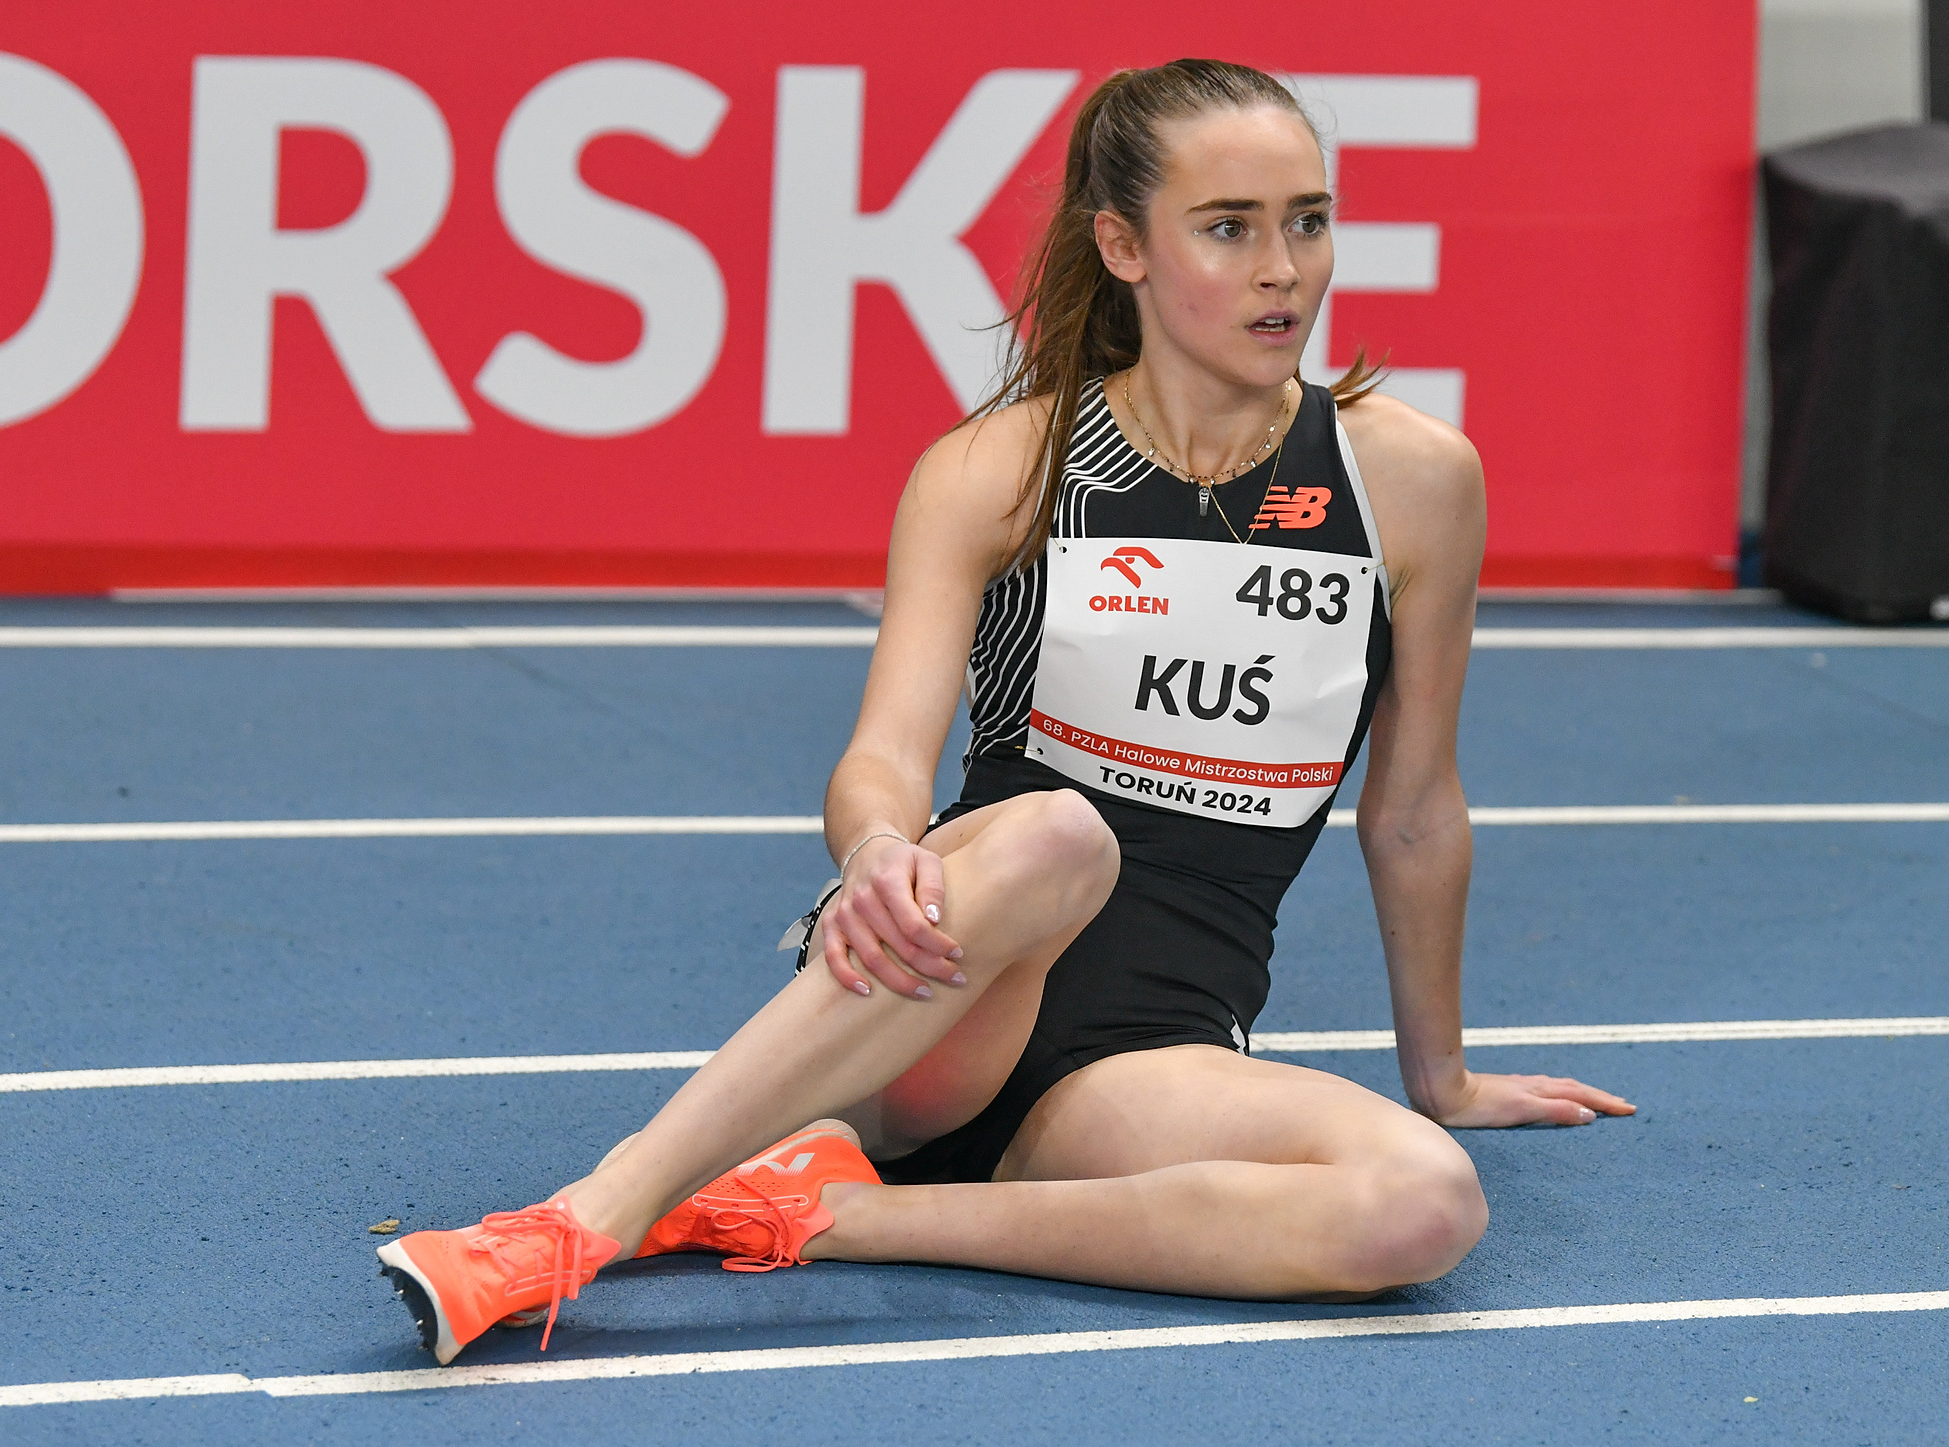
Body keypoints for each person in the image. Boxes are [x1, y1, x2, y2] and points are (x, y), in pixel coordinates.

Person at [376, 58, 1634, 1366]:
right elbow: (879, 759)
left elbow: (1415, 808)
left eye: (1305, 221)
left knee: (1421, 1204)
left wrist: (1441, 1078)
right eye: (1228, 227)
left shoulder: (1412, 484)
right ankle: (581, 1221)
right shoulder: (1002, 467)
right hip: (940, 999)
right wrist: (874, 851)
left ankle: (837, 1219)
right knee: (1058, 838)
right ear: (1122, 246)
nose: (1283, 269)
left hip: (1140, 1060)